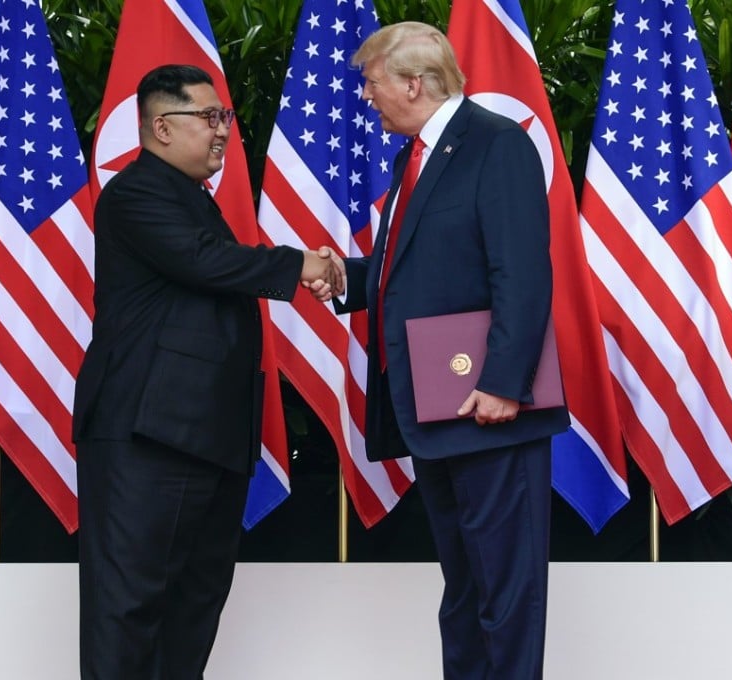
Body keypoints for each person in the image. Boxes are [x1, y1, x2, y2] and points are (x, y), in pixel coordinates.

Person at [71, 64, 342, 680]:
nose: (223, 132)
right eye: (210, 117)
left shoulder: (190, 198)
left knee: (193, 606)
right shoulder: (135, 192)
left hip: (204, 438)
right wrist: (300, 263)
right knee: (130, 607)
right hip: (148, 435)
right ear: (161, 127)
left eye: (225, 118)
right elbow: (204, 262)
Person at [335, 22, 571, 679]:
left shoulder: (495, 146)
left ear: (413, 83)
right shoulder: (411, 155)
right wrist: (346, 278)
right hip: (436, 409)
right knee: (465, 587)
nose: (366, 97)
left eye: (373, 83)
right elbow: (414, 269)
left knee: (506, 592)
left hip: (487, 405)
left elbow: (521, 273)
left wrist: (503, 381)